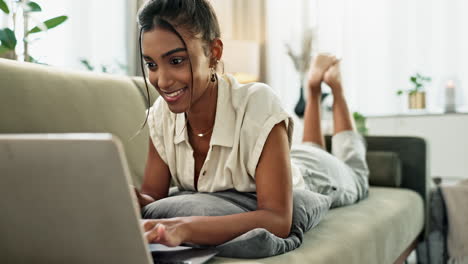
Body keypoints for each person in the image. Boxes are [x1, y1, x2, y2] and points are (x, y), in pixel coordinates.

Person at [133, 0, 369, 248]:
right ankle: (312, 91)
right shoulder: (161, 115)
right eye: (151, 64)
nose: (162, 80)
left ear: (214, 53)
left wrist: (184, 228)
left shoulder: (257, 102)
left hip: (313, 175)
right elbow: (153, 198)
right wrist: (133, 197)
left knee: (356, 174)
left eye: (177, 61)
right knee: (310, 146)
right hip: (283, 160)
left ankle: (334, 88)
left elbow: (278, 220)